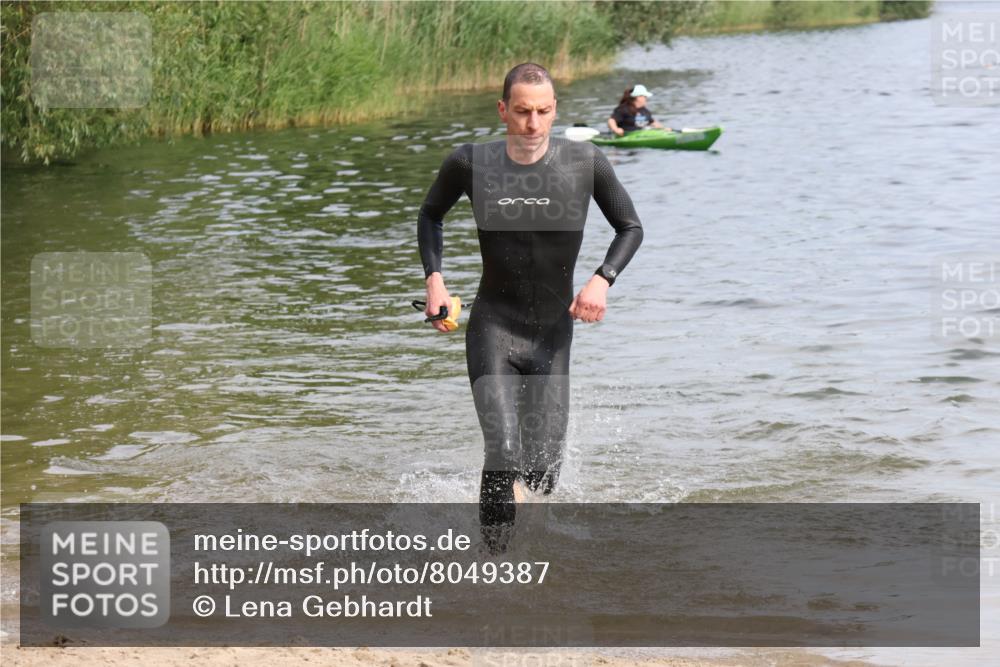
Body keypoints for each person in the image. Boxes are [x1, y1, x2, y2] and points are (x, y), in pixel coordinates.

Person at [416, 62, 643, 553]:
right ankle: (493, 571)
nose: (533, 124)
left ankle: (527, 558)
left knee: (541, 474)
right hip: (493, 328)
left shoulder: (585, 163)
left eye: (543, 111)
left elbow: (631, 227)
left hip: (551, 337)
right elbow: (431, 214)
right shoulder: (470, 163)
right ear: (503, 110)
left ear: (555, 109)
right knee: (501, 450)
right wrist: (435, 279)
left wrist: (602, 280)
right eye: (522, 112)